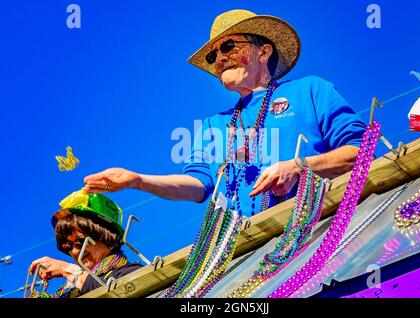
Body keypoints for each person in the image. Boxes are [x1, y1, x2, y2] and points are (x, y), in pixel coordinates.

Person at [83, 9, 367, 216]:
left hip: (320, 225)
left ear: (264, 52)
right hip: (245, 252)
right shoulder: (212, 125)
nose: (219, 59)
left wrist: (298, 167)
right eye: (212, 55)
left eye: (228, 46)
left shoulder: (310, 90)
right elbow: (198, 185)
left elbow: (361, 152)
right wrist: (138, 180)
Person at [28, 189, 142, 298]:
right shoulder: (75, 291)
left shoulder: (132, 273)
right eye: (68, 246)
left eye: (80, 241)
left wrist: (69, 271)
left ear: (106, 236)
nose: (74, 251)